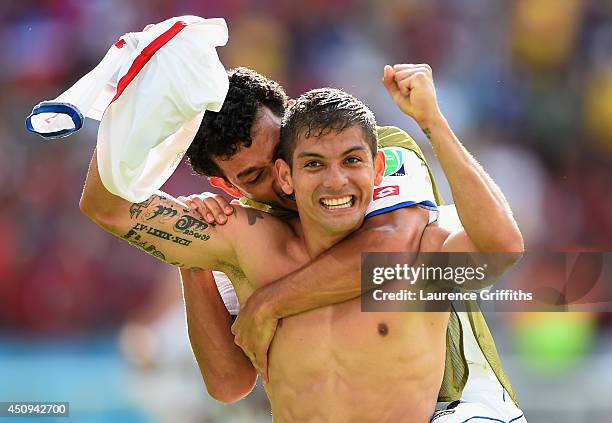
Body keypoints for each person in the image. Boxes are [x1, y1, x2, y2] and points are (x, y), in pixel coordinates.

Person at [79, 64, 524, 421]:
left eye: (281, 155)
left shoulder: (374, 146)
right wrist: (134, 94)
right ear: (227, 185)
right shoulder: (241, 241)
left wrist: (268, 304)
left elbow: (394, 248)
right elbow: (229, 385)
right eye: (256, 176)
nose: (283, 182)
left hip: (463, 403)